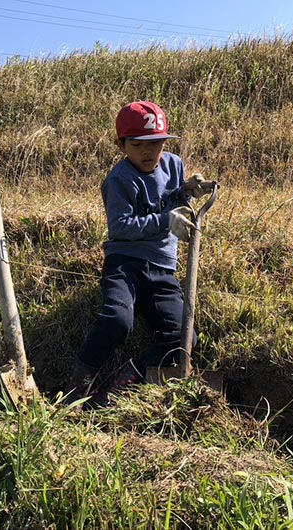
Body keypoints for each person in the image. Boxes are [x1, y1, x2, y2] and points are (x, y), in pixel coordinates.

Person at [63, 100, 214, 407]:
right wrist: (165, 221)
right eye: (138, 145)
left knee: (184, 338)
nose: (149, 152)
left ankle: (125, 381)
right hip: (125, 264)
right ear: (122, 145)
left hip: (161, 269)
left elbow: (167, 198)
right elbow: (121, 226)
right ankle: (76, 389)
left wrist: (185, 191)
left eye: (156, 144)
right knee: (118, 321)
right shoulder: (119, 180)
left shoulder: (173, 165)